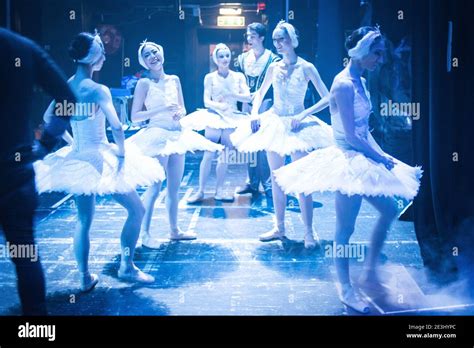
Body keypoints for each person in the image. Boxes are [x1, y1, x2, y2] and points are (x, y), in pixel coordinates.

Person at [273, 26, 422, 313]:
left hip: (362, 156)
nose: (380, 59)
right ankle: (345, 287)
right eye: (376, 53)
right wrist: (380, 158)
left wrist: (382, 155)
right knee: (346, 229)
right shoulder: (342, 84)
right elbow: (352, 136)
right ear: (361, 52)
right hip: (346, 160)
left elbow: (365, 131)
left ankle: (369, 273)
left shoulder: (362, 83)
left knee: (390, 210)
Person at [34, 32, 164, 291]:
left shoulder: (66, 85)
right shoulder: (98, 90)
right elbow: (117, 126)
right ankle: (127, 267)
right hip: (101, 156)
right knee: (136, 210)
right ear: (93, 57)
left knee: (84, 219)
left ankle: (84, 277)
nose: (105, 54)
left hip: (79, 157)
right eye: (102, 50)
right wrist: (123, 153)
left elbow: (48, 118)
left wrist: (71, 143)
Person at [231, 21, 333, 249]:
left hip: (298, 124)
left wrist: (305, 114)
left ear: (292, 40)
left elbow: (327, 98)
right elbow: (259, 94)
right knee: (276, 178)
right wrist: (255, 113)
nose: (278, 44)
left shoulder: (306, 67)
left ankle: (308, 230)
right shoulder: (274, 67)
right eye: (275, 40)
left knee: (302, 179)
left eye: (282, 39)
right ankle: (279, 226)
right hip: (275, 122)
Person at [0, 27, 77, 315]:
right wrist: (45, 145)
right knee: (25, 256)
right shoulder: (21, 46)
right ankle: (35, 330)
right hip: (14, 173)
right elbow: (67, 97)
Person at [127, 41, 223, 248]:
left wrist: (179, 113)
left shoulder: (174, 80)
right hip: (157, 135)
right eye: (147, 55)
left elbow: (183, 109)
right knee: (155, 186)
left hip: (177, 135)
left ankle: (174, 230)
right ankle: (144, 233)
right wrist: (160, 109)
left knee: (174, 188)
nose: (152, 56)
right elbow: (134, 117)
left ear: (161, 53)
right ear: (143, 61)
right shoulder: (144, 83)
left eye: (154, 52)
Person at [183, 43, 251, 203]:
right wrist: (219, 105)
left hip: (231, 118)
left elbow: (248, 97)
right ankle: (200, 191)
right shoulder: (210, 77)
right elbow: (206, 101)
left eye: (227, 55)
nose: (225, 59)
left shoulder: (238, 77)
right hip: (214, 117)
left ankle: (219, 190)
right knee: (208, 154)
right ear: (216, 59)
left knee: (226, 155)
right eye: (221, 56)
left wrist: (232, 94)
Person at [234, 23, 280, 200]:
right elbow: (240, 81)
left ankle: (268, 183)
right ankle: (252, 182)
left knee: (264, 144)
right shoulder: (243, 59)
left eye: (252, 36)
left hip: (266, 103)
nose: (249, 39)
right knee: (249, 143)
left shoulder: (272, 59)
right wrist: (244, 100)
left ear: (261, 37)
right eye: (248, 36)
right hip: (247, 103)